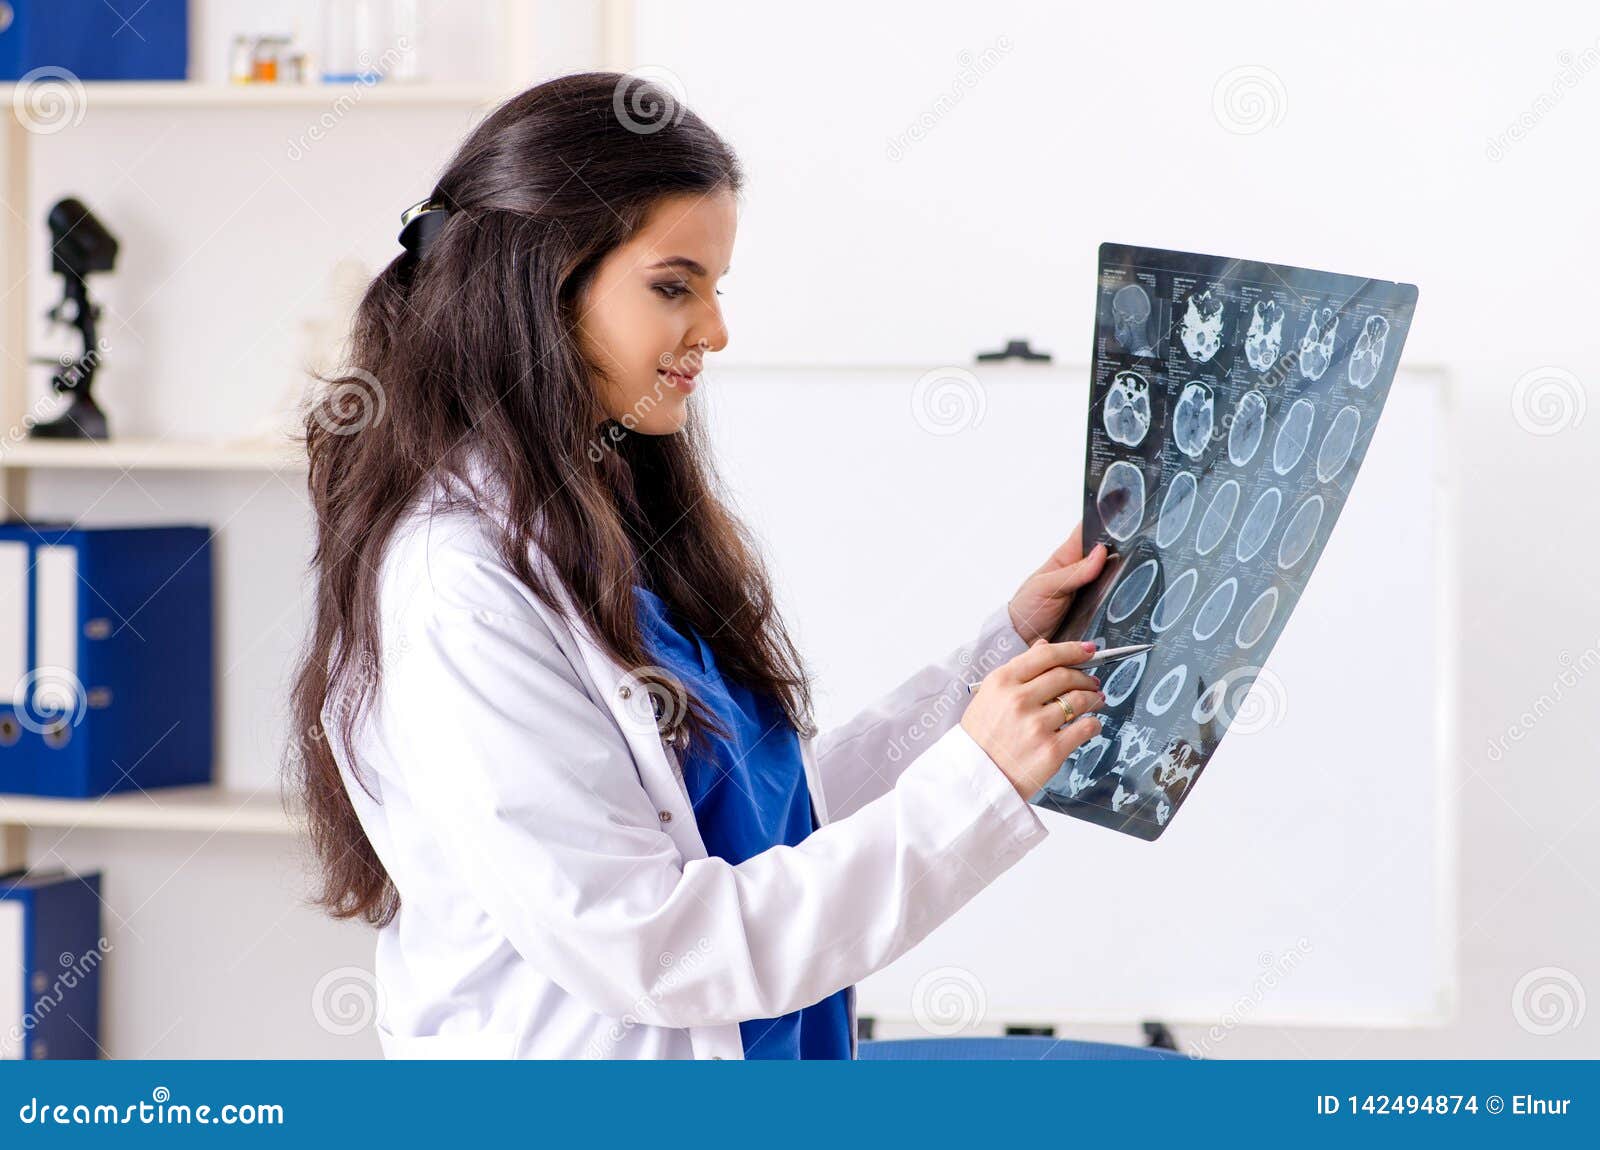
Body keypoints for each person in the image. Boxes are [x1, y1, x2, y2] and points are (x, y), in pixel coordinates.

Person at [287, 71, 1109, 1060]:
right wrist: (971, 787)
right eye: (675, 286)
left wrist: (997, 662)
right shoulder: (456, 587)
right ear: (541, 282)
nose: (714, 331)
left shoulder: (605, 523)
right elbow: (653, 947)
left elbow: (768, 823)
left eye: (714, 289)